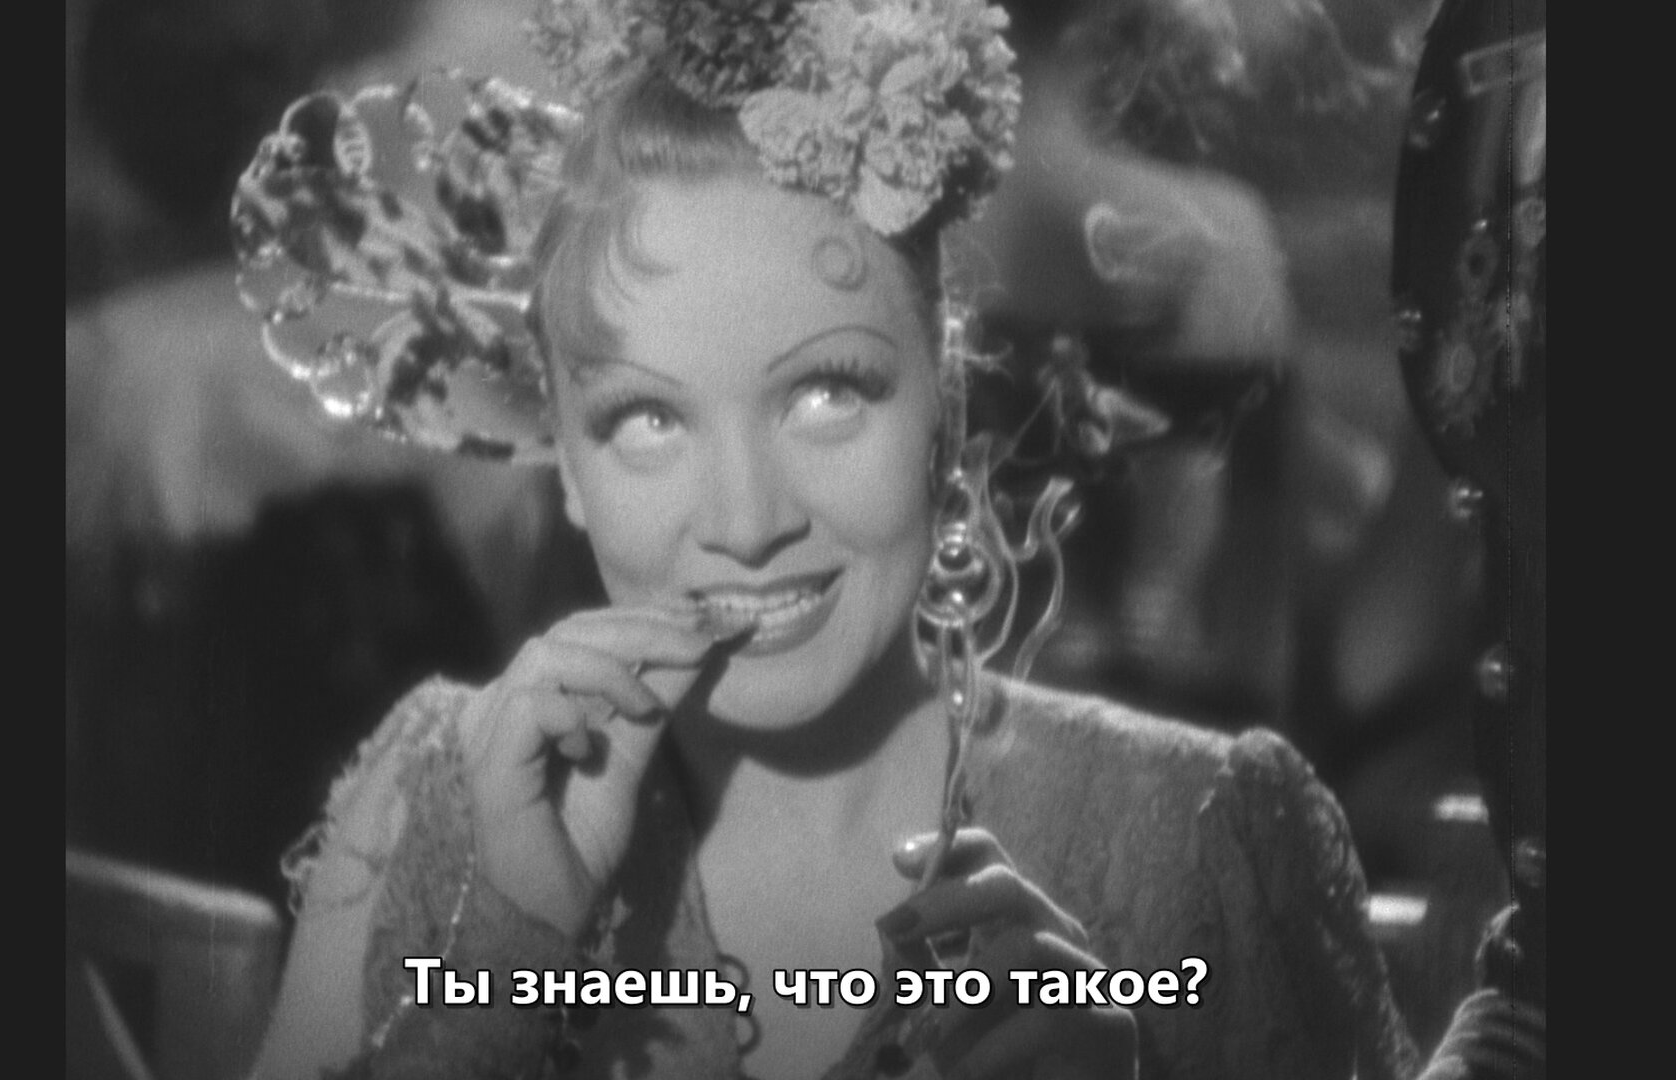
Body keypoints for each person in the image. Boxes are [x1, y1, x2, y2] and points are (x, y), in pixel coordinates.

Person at [241, 2, 1419, 1078]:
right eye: (647, 420)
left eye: (825, 395)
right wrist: (504, 969)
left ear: (945, 403)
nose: (748, 524)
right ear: (568, 464)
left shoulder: (1208, 840)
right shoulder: (429, 800)